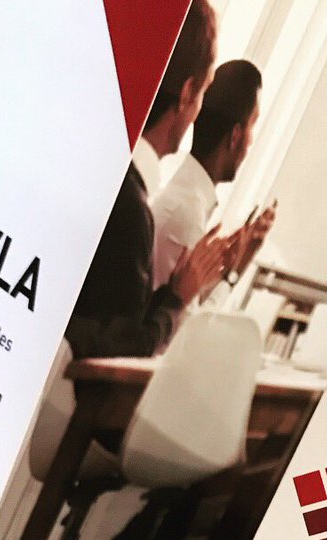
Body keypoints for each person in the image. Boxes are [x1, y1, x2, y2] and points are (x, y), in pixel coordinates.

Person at [64, 0, 228, 361]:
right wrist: (176, 300)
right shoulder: (130, 211)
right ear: (187, 95)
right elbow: (115, 355)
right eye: (202, 92)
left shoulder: (91, 168)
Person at [154, 59, 276, 291]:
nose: (251, 141)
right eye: (252, 125)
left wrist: (235, 265)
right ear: (235, 136)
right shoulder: (186, 216)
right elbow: (178, 313)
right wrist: (230, 275)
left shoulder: (188, 201)